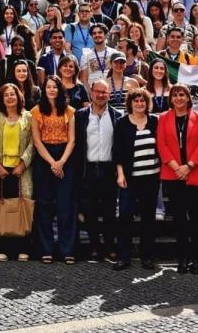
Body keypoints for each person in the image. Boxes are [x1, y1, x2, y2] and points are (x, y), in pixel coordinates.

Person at [156, 83, 198, 274]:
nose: (178, 98)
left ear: (188, 98)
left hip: (194, 172)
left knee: (196, 218)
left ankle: (197, 259)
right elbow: (161, 144)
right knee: (179, 219)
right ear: (171, 99)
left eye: (182, 95)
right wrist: (176, 167)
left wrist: (189, 166)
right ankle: (182, 258)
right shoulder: (163, 118)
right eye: (175, 95)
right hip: (173, 174)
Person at [30, 76, 78, 264]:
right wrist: (52, 163)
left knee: (66, 205)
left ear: (60, 90)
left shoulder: (69, 111)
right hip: (44, 158)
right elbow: (36, 141)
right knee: (44, 205)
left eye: (55, 87)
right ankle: (46, 249)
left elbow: (72, 139)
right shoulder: (35, 111)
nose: (51, 90)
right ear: (44, 90)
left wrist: (61, 162)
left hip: (65, 157)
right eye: (48, 87)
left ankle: (67, 250)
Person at [0, 83, 35, 261]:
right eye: (6, 95)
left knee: (22, 208)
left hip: (21, 170)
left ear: (19, 96)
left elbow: (33, 143)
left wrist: (23, 163)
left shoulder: (28, 117)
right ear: (1, 98)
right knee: (2, 208)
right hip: (0, 171)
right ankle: (1, 248)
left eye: (12, 94)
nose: (9, 97)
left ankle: (22, 248)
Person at [113, 88, 161, 270]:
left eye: (142, 100)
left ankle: (147, 256)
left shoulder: (155, 121)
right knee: (125, 216)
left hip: (151, 178)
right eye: (136, 101)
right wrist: (120, 174)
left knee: (148, 218)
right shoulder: (122, 123)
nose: (139, 104)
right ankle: (124, 256)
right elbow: (117, 150)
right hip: (129, 179)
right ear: (130, 103)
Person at [74, 80, 121, 263]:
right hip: (88, 170)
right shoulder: (80, 115)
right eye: (98, 91)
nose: (101, 95)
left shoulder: (117, 115)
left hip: (109, 169)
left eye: (104, 92)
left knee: (109, 212)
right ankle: (94, 247)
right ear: (91, 92)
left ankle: (109, 247)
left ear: (109, 94)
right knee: (90, 211)